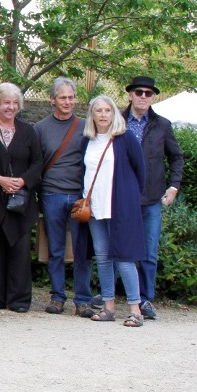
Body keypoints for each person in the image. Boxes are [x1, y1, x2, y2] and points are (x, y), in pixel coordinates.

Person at [0, 82, 42, 313]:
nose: (10, 107)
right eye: (5, 103)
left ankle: (19, 300)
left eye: (14, 103)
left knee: (20, 250)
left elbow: (38, 163)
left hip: (20, 202)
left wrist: (22, 181)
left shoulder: (28, 131)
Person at [118, 76, 183, 320]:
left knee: (148, 252)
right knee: (116, 249)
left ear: (153, 97)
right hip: (121, 197)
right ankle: (109, 297)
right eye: (139, 92)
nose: (143, 96)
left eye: (148, 93)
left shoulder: (162, 125)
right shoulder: (117, 121)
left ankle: (145, 300)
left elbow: (176, 157)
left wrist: (174, 186)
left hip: (151, 198)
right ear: (130, 95)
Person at [81, 95, 146, 327]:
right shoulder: (88, 139)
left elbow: (141, 171)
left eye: (107, 110)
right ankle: (108, 307)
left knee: (125, 257)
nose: (103, 114)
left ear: (114, 113)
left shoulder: (124, 138)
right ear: (92, 115)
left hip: (119, 207)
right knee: (102, 257)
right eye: (98, 110)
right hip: (95, 208)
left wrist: (128, 199)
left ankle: (135, 309)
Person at [34, 77, 94, 317]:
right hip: (52, 194)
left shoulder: (85, 126)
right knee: (56, 251)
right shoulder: (39, 128)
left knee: (82, 251)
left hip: (79, 197)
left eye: (71, 97)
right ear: (52, 100)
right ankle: (57, 297)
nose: (68, 102)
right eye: (63, 97)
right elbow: (35, 163)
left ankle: (82, 300)